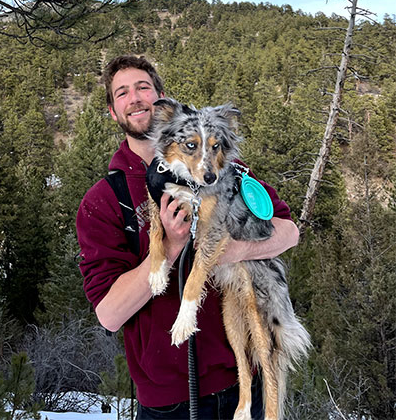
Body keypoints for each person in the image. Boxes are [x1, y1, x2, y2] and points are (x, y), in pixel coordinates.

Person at [76, 55, 299, 419]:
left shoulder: (226, 169)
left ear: (162, 100)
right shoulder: (103, 199)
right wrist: (172, 245)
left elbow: (288, 231)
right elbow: (109, 314)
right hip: (170, 403)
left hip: (246, 387)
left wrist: (232, 250)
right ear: (114, 112)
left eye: (143, 87)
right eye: (122, 93)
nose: (135, 98)